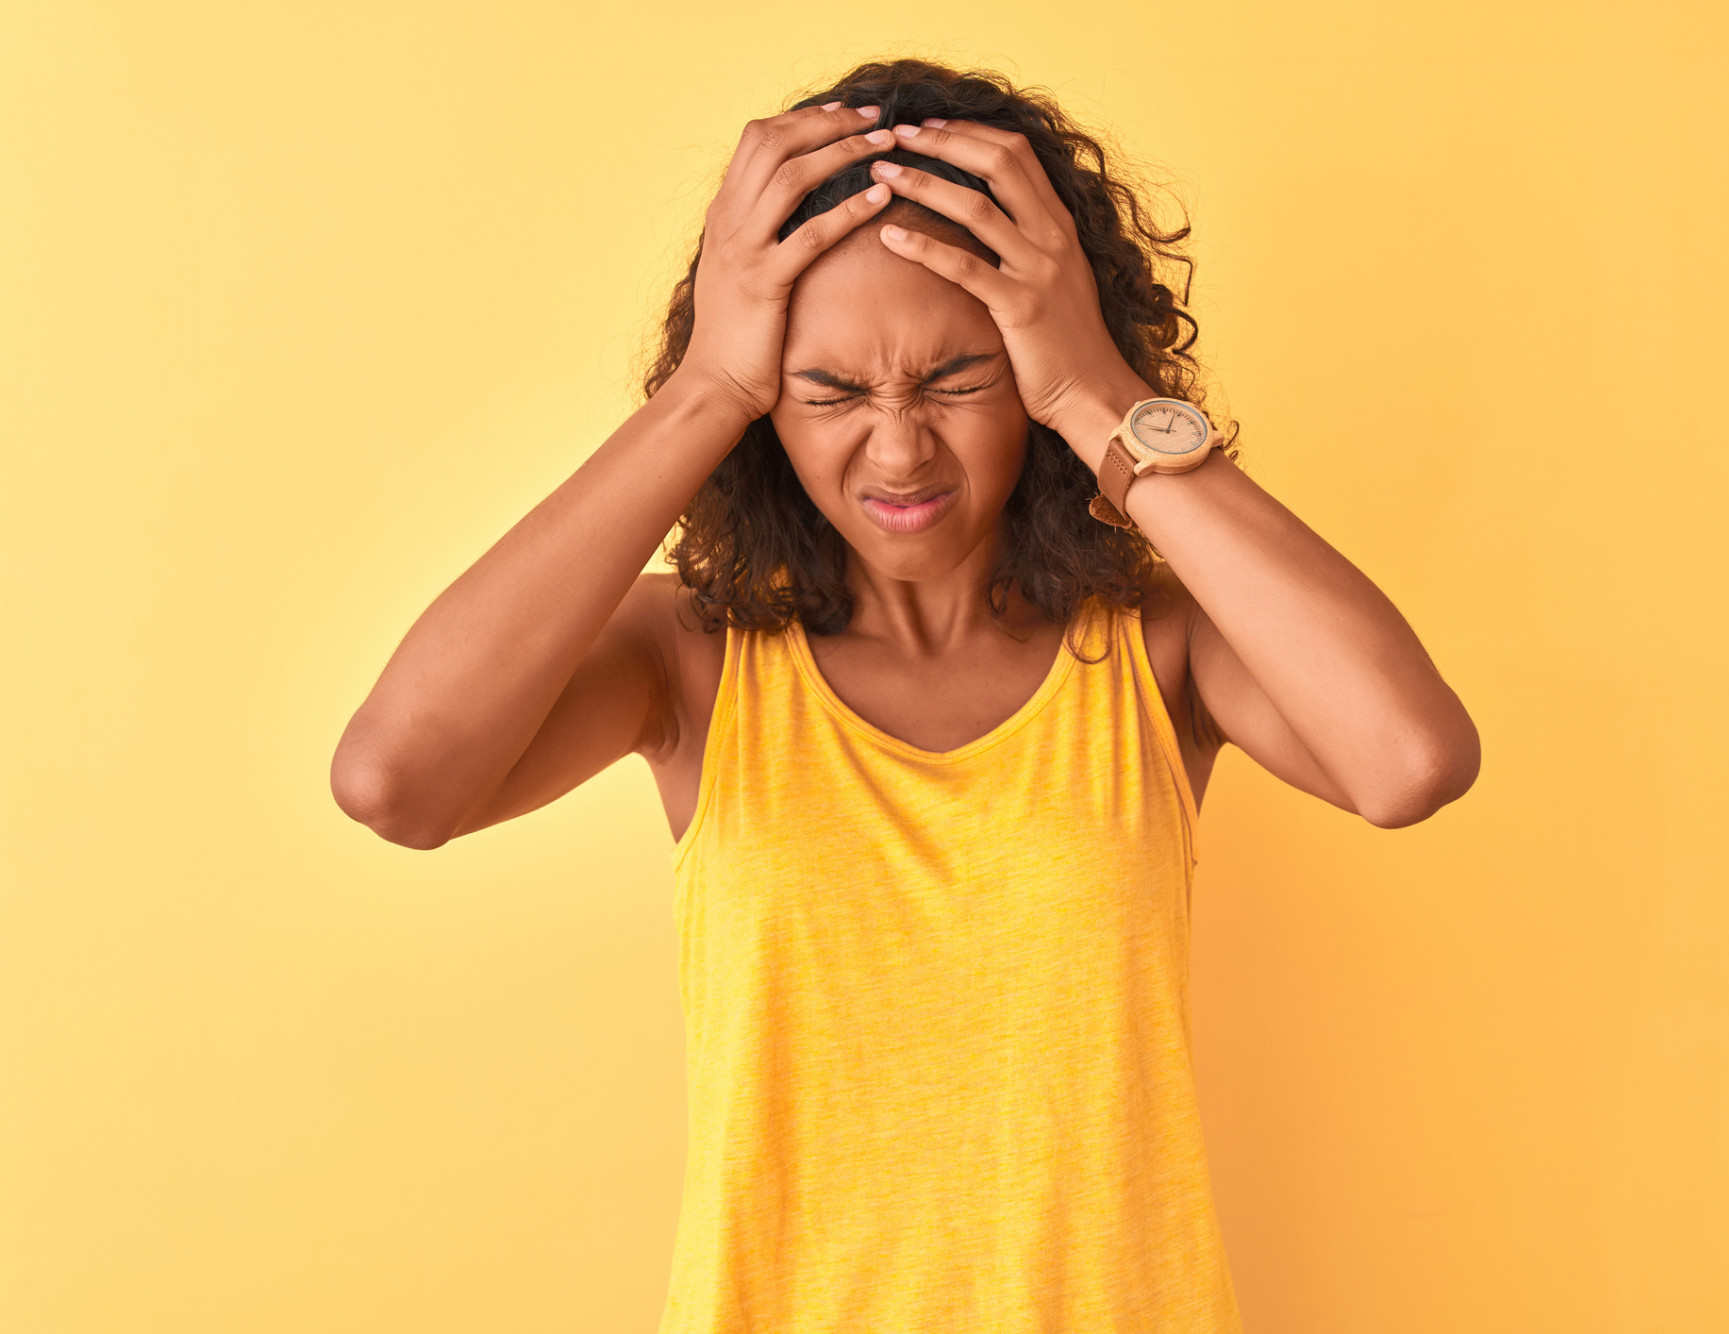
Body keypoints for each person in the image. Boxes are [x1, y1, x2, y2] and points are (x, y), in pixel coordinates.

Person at [330, 56, 1478, 1334]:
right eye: (827, 391)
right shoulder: (690, 659)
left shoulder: (1160, 649)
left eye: (958, 380)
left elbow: (1407, 759)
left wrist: (1094, 391)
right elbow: (395, 783)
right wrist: (705, 388)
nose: (897, 448)